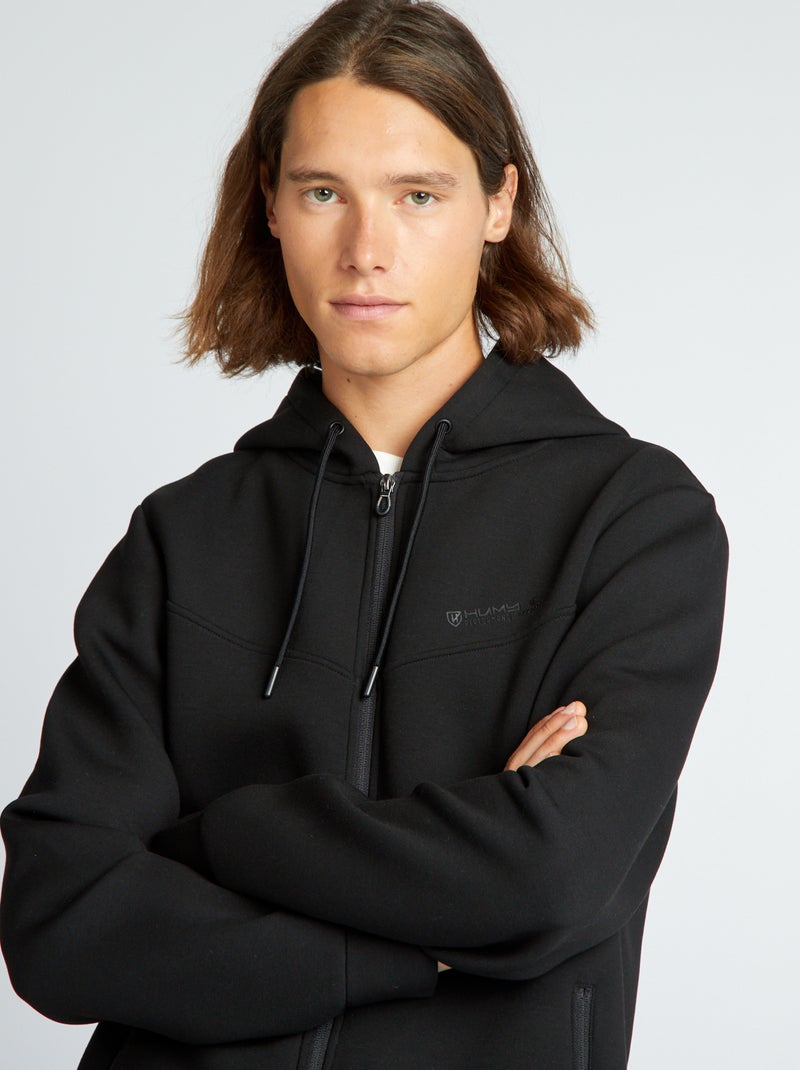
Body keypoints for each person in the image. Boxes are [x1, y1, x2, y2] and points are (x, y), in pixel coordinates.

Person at [0, 1, 728, 1067]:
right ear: (270, 205)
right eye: (322, 192)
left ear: (496, 203)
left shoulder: (631, 519)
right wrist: (416, 950)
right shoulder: (182, 536)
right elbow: (58, 922)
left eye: (417, 194)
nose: (365, 249)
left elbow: (548, 875)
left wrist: (223, 833)